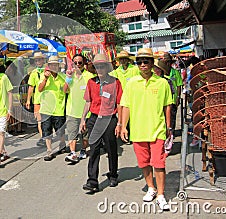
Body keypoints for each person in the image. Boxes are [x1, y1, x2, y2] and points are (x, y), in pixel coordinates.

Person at [120, 48, 173, 210]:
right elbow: (126, 106)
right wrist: (123, 126)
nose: (142, 64)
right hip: (137, 130)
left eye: (146, 61)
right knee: (143, 163)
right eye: (139, 61)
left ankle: (161, 194)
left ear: (152, 63)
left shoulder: (162, 83)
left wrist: (169, 126)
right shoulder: (131, 83)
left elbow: (167, 106)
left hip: (157, 130)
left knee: (159, 163)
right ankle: (151, 187)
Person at [80, 54, 123, 192]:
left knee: (111, 149)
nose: (99, 68)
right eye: (97, 66)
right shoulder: (91, 83)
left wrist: (120, 123)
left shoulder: (115, 83)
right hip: (94, 119)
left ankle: (113, 174)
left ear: (107, 67)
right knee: (94, 150)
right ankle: (92, 181)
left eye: (102, 66)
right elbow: (88, 102)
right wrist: (82, 120)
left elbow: (120, 104)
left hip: (109, 119)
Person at [63, 54, 94, 163]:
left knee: (85, 134)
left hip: (86, 112)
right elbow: (64, 90)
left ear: (83, 63)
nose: (77, 65)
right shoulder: (70, 76)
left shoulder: (89, 76)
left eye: (79, 62)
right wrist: (68, 78)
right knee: (72, 133)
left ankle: (83, 150)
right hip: (72, 110)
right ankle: (72, 153)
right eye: (75, 63)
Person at [38, 55, 67, 161]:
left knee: (60, 130)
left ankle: (62, 143)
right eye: (52, 65)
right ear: (49, 66)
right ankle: (49, 150)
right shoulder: (44, 75)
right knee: (47, 130)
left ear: (58, 66)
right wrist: (45, 79)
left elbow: (66, 91)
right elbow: (40, 89)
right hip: (46, 108)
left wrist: (68, 81)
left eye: (55, 65)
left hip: (59, 108)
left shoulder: (62, 77)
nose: (54, 66)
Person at [25, 52, 46, 146]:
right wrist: (28, 100)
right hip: (37, 99)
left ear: (43, 60)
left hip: (47, 100)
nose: (38, 62)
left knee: (48, 119)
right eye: (36, 60)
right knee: (39, 120)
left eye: (39, 59)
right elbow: (31, 87)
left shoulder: (47, 70)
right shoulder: (33, 73)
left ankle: (47, 135)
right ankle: (43, 137)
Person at [162, 52, 183, 131]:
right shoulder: (161, 73)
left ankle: (172, 131)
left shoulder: (175, 72)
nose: (167, 64)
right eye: (165, 62)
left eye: (168, 62)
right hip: (163, 98)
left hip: (173, 98)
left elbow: (179, 85)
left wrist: (178, 97)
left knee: (172, 116)